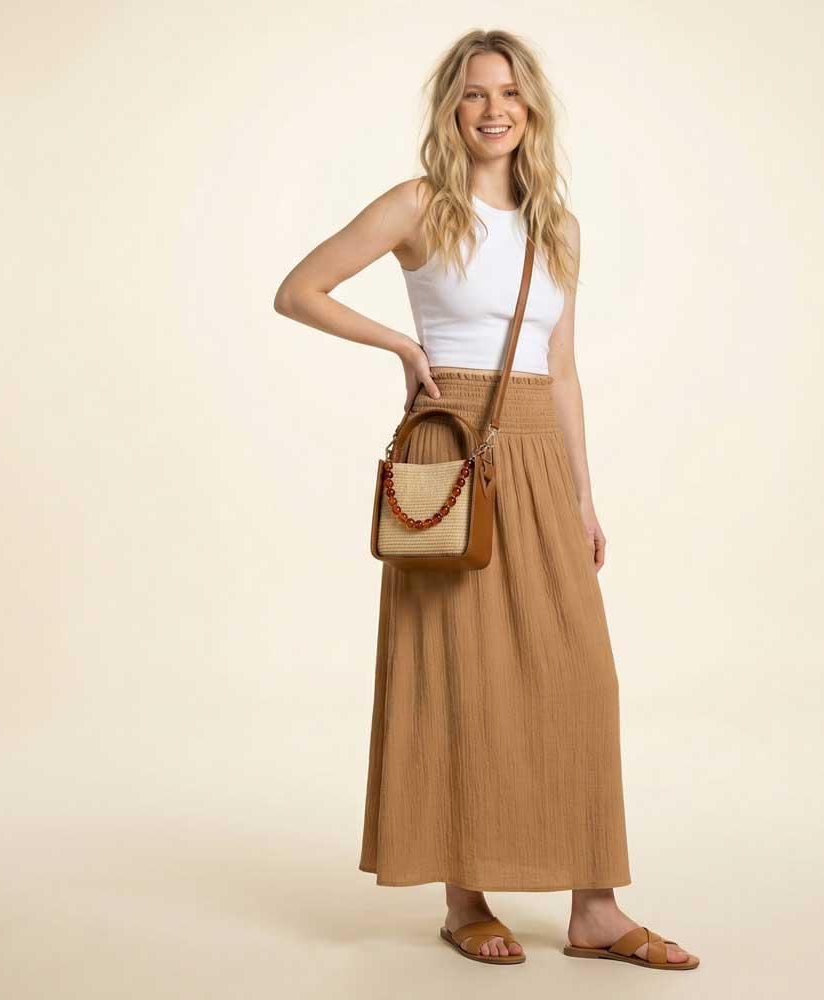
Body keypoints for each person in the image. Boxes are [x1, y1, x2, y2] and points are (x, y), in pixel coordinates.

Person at [273, 28, 698, 972]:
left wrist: (586, 495)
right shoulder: (419, 205)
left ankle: (595, 908)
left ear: (532, 108)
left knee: (579, 675)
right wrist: (403, 347)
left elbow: (564, 367)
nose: (493, 109)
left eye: (509, 93)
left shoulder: (559, 227)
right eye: (473, 94)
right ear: (451, 110)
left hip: (541, 448)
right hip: (454, 443)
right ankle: (466, 898)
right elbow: (297, 291)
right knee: (457, 669)